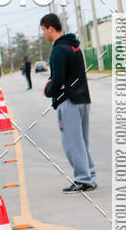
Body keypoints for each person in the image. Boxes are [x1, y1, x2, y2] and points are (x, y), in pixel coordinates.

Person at [40, 13, 97, 193]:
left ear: (50, 28)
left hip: (69, 101)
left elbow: (58, 79)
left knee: (72, 143)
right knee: (82, 142)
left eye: (43, 30)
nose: (44, 34)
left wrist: (48, 91)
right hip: (83, 99)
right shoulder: (74, 47)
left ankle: (83, 179)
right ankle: (90, 176)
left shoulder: (58, 50)